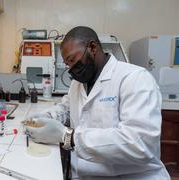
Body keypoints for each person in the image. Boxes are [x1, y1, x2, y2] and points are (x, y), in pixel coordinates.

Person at [24, 26, 170, 180]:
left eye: (73, 60)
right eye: (67, 64)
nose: (71, 68)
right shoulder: (78, 84)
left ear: (92, 47)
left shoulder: (135, 78)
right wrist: (45, 118)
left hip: (130, 176)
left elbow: (139, 144)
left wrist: (69, 136)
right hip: (85, 174)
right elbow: (66, 109)